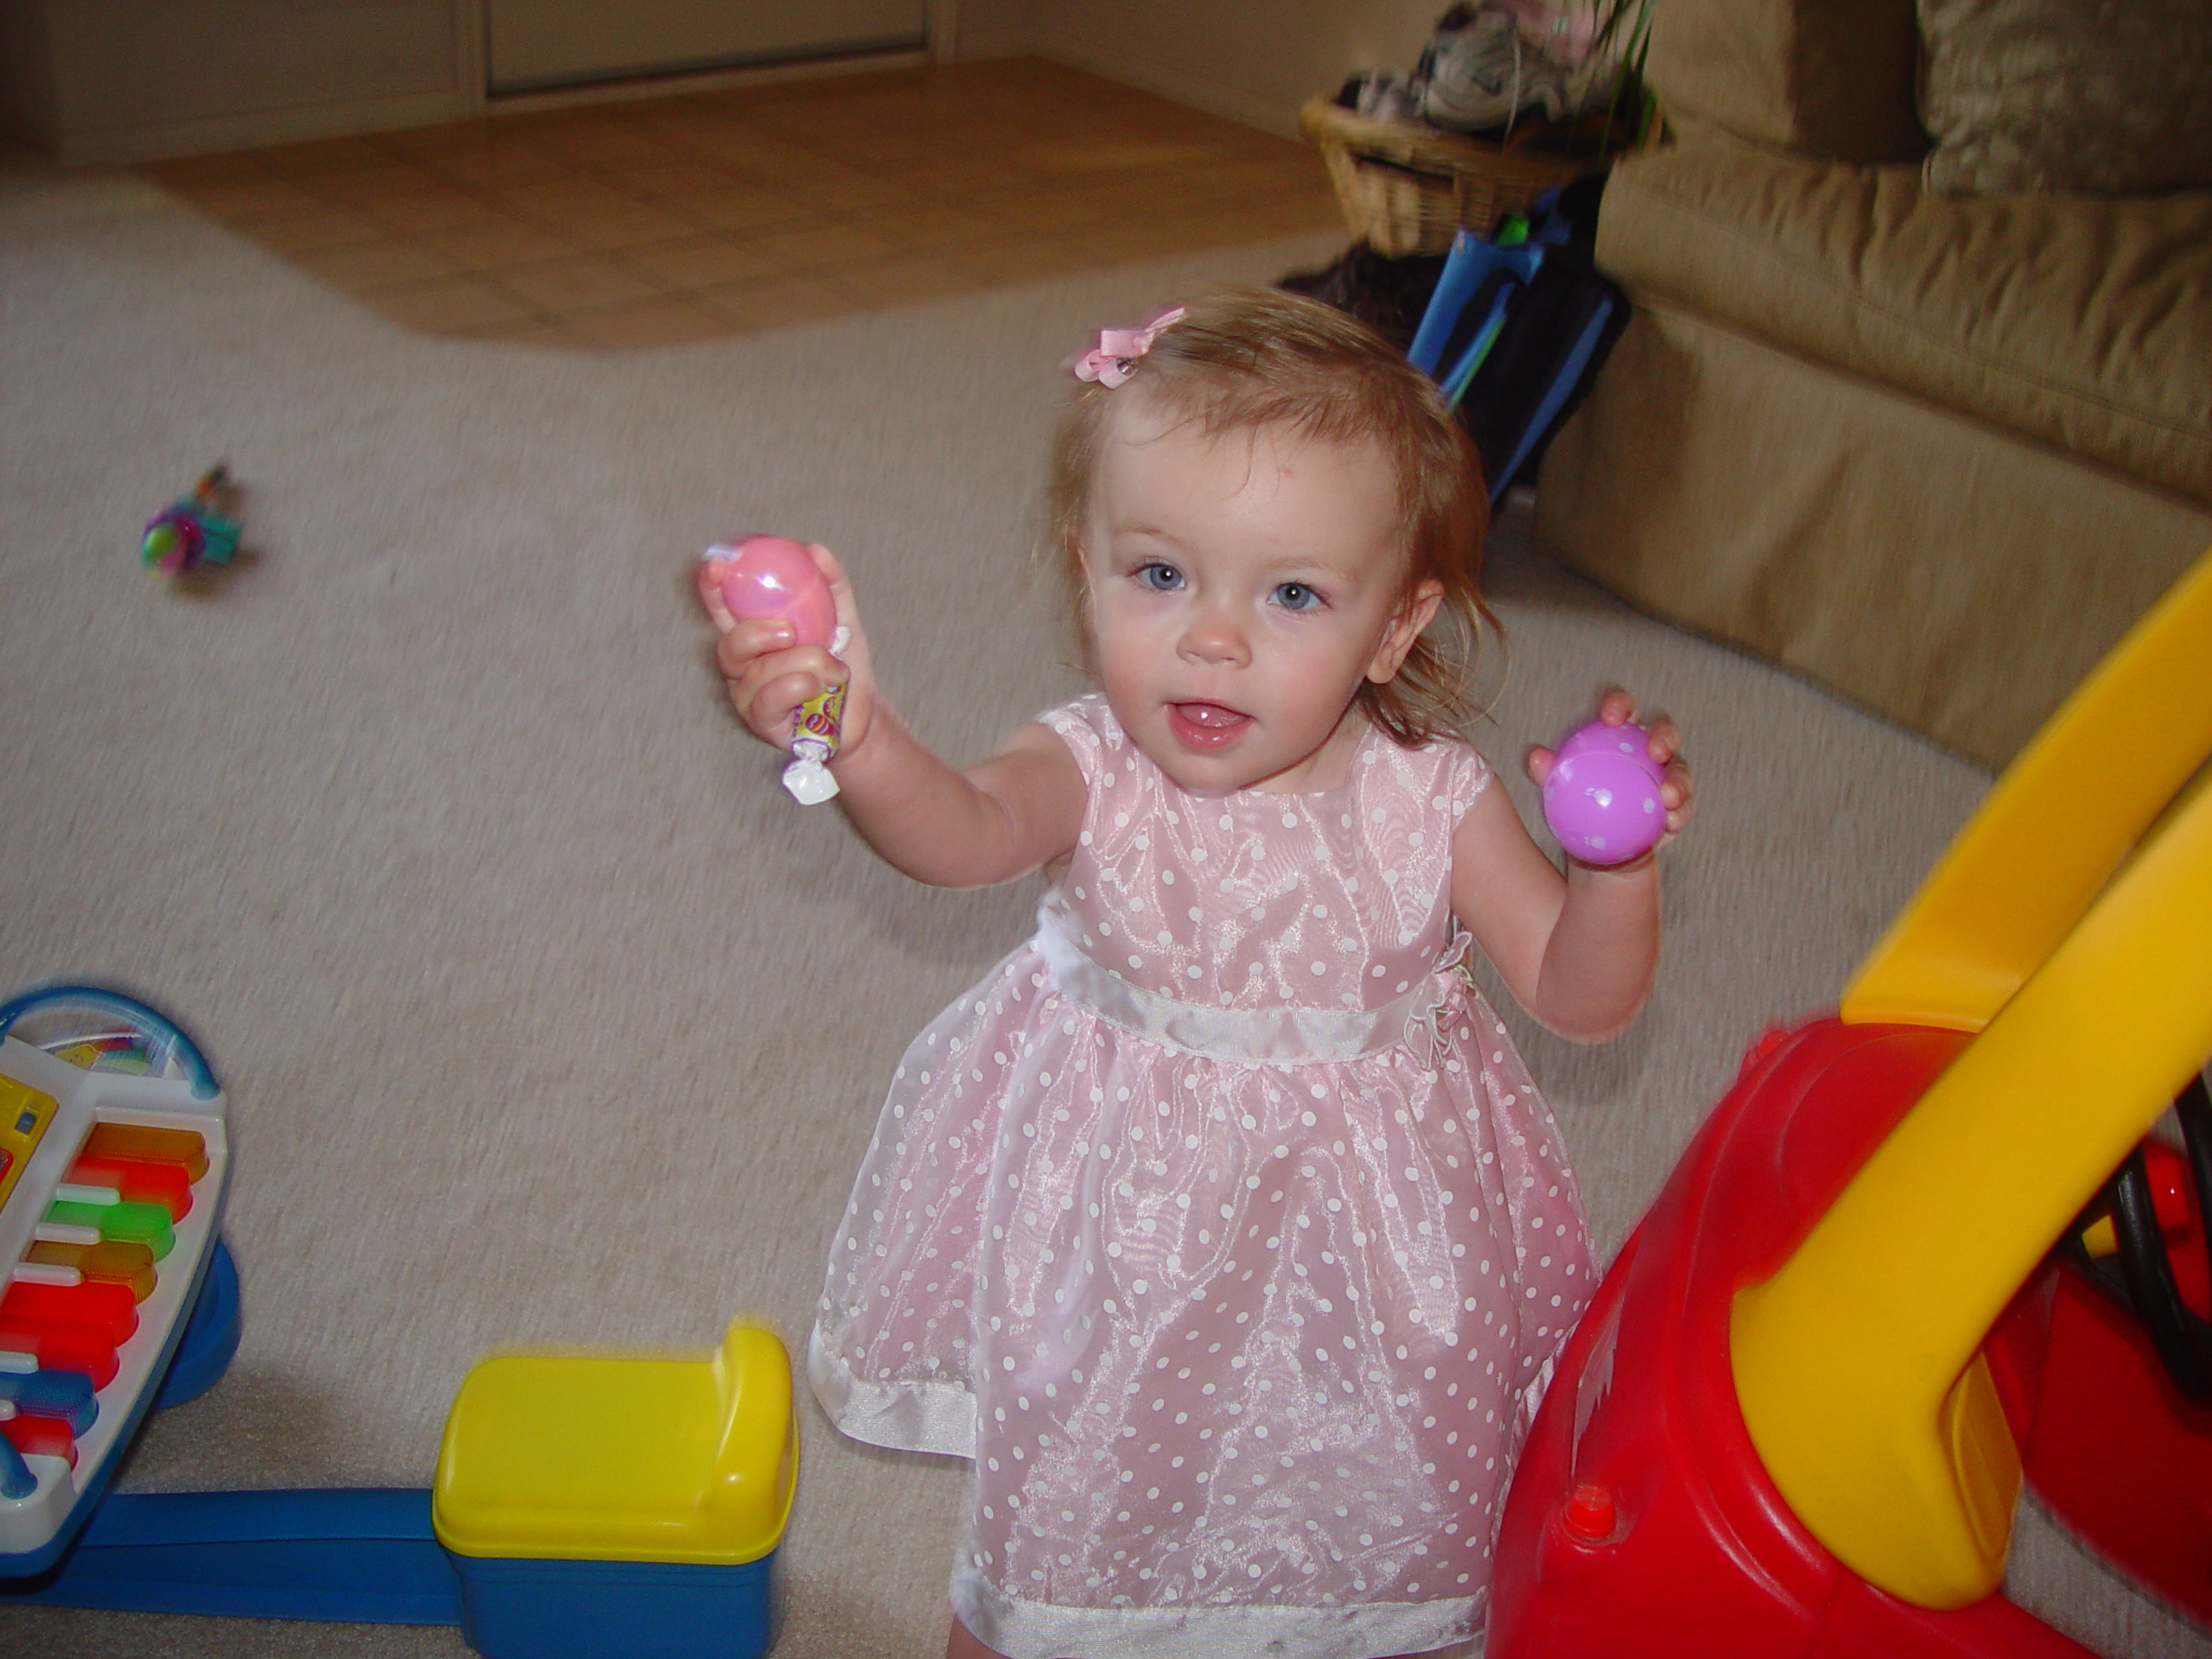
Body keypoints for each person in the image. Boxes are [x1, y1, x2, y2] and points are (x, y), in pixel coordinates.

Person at [696, 288, 1694, 1659]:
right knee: (1077, 1514)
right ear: (1086, 562)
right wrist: (853, 732)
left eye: (1291, 594)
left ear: (1396, 629)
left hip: (1378, 1260)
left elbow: (1586, 1000)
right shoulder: (1089, 764)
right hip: (1132, 1239)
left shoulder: (1435, 802)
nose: (1212, 638)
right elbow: (964, 833)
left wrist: (1617, 867)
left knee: (1376, 1517)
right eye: (1162, 575)